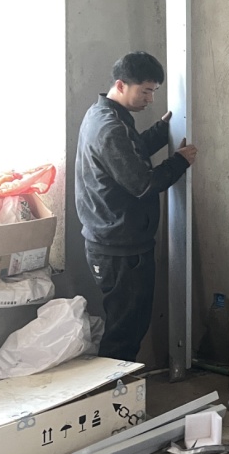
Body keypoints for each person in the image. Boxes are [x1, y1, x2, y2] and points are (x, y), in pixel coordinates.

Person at [75, 51, 198, 362]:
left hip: (114, 241)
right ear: (120, 85)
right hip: (120, 249)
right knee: (125, 330)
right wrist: (179, 162)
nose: (150, 99)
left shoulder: (103, 114)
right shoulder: (110, 127)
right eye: (145, 91)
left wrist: (160, 131)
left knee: (128, 324)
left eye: (153, 91)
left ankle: (118, 386)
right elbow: (142, 183)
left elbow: (129, 154)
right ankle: (114, 388)